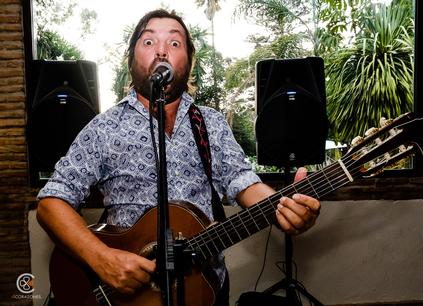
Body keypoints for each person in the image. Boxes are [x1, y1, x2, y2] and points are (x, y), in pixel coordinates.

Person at [36, 9, 320, 306]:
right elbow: (50, 204)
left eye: (174, 43)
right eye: (148, 42)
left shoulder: (210, 122)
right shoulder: (105, 128)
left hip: (203, 288)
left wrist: (284, 207)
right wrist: (102, 259)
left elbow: (243, 182)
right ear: (131, 60)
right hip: (128, 297)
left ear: (189, 61)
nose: (161, 50)